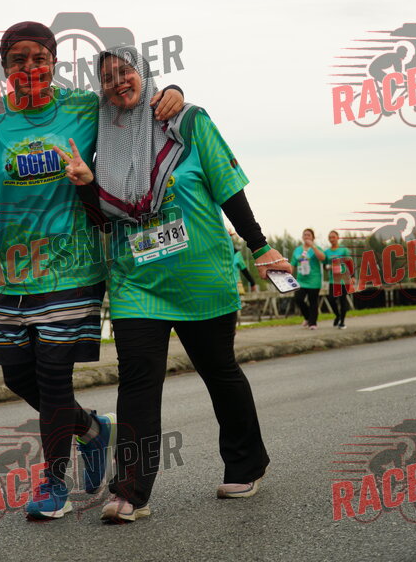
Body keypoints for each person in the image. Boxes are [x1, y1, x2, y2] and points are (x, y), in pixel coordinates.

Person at [0, 22, 184, 521]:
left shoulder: (83, 107)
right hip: (13, 275)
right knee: (17, 376)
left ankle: (54, 485)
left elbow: (132, 102)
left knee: (53, 379)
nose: (30, 67)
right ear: (4, 68)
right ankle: (92, 430)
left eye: (39, 58)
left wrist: (171, 91)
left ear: (54, 62)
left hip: (73, 268)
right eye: (18, 60)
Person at [55, 46, 292, 523]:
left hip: (199, 277)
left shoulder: (188, 122)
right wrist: (85, 185)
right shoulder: (104, 145)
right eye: (107, 77)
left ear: (143, 74)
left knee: (219, 371)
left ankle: (246, 464)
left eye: (125, 71)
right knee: (138, 384)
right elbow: (104, 222)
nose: (117, 82)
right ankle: (131, 491)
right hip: (136, 283)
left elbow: (229, 188)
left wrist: (260, 246)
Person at [290, 229, 325, 330]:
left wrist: (313, 246)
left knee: (313, 301)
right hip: (301, 280)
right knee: (298, 298)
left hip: (314, 279)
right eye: (305, 235)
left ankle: (313, 323)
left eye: (309, 235)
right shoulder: (297, 250)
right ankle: (307, 317)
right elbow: (293, 264)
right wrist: (288, 276)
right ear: (302, 237)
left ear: (313, 237)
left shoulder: (317, 248)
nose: (306, 237)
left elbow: (322, 258)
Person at [323, 230, 355, 329]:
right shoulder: (327, 252)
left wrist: (353, 276)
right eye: (330, 237)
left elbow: (349, 263)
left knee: (342, 300)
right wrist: (328, 267)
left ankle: (342, 322)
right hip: (333, 280)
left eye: (333, 237)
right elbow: (324, 265)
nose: (332, 239)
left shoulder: (343, 250)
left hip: (344, 279)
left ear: (338, 238)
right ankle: (337, 315)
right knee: (331, 299)